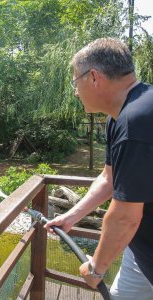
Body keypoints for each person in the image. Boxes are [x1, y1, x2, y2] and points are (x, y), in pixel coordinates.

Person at [44, 38, 153, 299]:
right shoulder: (121, 116)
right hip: (141, 249)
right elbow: (109, 179)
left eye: (75, 82)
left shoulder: (135, 123)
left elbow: (125, 216)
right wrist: (71, 216)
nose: (75, 92)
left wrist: (96, 269)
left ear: (93, 77)